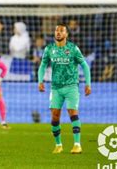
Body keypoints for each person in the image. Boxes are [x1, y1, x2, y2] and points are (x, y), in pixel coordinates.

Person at [38, 23, 92, 154]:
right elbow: (43, 65)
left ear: (66, 34)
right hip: (55, 88)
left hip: (71, 86)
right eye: (56, 30)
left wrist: (88, 84)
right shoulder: (49, 49)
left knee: (73, 113)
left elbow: (84, 65)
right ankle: (58, 145)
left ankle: (77, 145)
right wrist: (40, 81)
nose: (58, 32)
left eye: (61, 31)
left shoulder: (73, 48)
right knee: (55, 116)